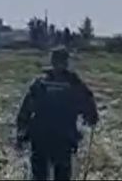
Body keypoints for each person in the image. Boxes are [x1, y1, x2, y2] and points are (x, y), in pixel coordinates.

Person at [16, 46, 99, 181]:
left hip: (42, 137)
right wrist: (91, 118)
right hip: (63, 138)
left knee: (39, 175)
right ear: (66, 62)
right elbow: (88, 104)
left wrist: (21, 130)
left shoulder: (41, 82)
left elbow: (26, 109)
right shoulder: (73, 83)